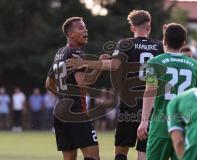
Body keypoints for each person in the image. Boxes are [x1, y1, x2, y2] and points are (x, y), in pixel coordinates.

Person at [66, 10, 164, 160]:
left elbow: (114, 65)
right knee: (144, 151)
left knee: (121, 152)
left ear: (132, 28)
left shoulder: (126, 44)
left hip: (129, 103)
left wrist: (86, 62)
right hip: (151, 104)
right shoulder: (160, 46)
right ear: (149, 27)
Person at [137, 23, 197, 160]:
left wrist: (144, 121)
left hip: (160, 125)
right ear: (183, 43)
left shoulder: (153, 62)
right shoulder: (195, 65)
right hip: (185, 127)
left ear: (164, 41)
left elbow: (150, 90)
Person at [45, 17, 104, 160]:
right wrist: (100, 66)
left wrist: (63, 95)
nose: (85, 30)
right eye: (81, 28)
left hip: (60, 111)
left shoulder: (60, 53)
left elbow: (48, 84)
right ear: (70, 34)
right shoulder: (76, 53)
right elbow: (83, 83)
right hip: (76, 111)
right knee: (93, 155)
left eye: (85, 27)